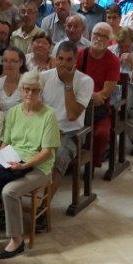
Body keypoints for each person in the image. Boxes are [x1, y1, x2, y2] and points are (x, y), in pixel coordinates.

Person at [0, 70, 58, 259]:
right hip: (14, 159)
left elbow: (46, 152)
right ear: (21, 90)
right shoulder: (14, 112)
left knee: (9, 191)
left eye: (34, 90)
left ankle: (17, 240)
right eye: (26, 89)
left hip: (38, 166)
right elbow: (6, 142)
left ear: (40, 91)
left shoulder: (48, 115)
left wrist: (24, 166)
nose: (29, 94)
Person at [41, 41, 94, 174]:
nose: (64, 63)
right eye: (60, 59)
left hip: (70, 134)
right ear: (55, 58)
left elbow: (71, 115)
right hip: (44, 130)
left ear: (75, 61)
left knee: (57, 160)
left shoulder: (85, 81)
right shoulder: (44, 77)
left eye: (69, 59)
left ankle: (48, 194)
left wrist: (68, 83)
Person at [78, 23, 121, 166]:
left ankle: (92, 164)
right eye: (96, 34)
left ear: (110, 41)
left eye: (104, 36)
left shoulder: (113, 61)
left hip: (99, 110)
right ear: (90, 35)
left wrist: (89, 96)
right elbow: (72, 83)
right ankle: (72, 161)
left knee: (101, 134)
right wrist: (89, 95)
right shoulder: (81, 55)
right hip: (78, 105)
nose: (99, 38)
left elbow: (104, 94)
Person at [0, 46, 27, 112]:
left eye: (13, 61)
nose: (9, 64)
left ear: (21, 62)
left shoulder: (27, 83)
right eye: (5, 61)